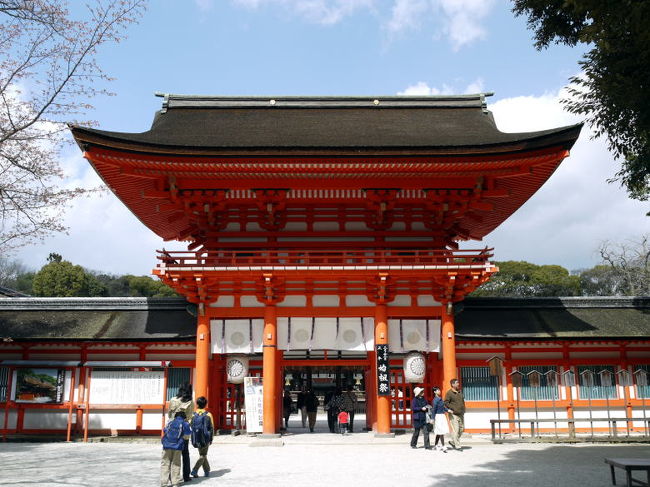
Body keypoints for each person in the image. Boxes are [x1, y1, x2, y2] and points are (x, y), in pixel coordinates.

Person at [168, 383, 194, 482]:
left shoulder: (172, 400)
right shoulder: (190, 402)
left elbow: (169, 415)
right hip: (184, 431)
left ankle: (171, 476)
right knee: (185, 453)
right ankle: (186, 476)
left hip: (173, 431)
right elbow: (190, 417)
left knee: (172, 453)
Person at [161, 411, 191, 487]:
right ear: (184, 418)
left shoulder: (170, 423)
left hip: (166, 445)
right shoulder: (185, 424)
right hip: (177, 447)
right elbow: (187, 435)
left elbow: (165, 430)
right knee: (176, 464)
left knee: (165, 464)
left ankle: (164, 482)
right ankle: (175, 482)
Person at [190, 396, 214, 478]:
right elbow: (212, 427)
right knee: (203, 455)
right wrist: (211, 439)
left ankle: (207, 471)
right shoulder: (208, 414)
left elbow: (191, 425)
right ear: (205, 404)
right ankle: (195, 470)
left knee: (202, 454)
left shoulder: (193, 415)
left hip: (196, 437)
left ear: (197, 404)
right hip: (206, 438)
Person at [444, 378, 465, 450]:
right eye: (457, 383)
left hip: (461, 413)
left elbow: (462, 401)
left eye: (458, 382)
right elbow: (446, 403)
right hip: (453, 414)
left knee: (462, 429)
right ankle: (457, 446)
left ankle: (453, 442)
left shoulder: (460, 392)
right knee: (456, 429)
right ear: (453, 384)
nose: (458, 384)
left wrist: (463, 409)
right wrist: (453, 408)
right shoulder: (449, 393)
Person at [431, 386, 449, 452]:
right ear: (434, 392)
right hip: (438, 416)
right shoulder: (435, 400)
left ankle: (435, 445)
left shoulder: (440, 399)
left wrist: (448, 410)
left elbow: (444, 407)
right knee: (441, 431)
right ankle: (443, 446)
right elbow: (433, 410)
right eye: (438, 390)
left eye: (439, 390)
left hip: (442, 416)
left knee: (439, 432)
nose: (439, 391)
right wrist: (432, 418)